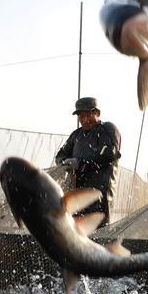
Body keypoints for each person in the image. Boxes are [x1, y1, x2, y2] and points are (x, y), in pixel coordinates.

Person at [55, 97, 122, 227]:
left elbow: (109, 154)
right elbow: (60, 155)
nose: (85, 120)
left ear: (97, 113)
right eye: (81, 116)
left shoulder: (107, 129)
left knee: (98, 232)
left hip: (100, 195)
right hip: (77, 194)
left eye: (88, 115)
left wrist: (81, 161)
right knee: (75, 232)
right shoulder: (76, 135)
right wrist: (64, 162)